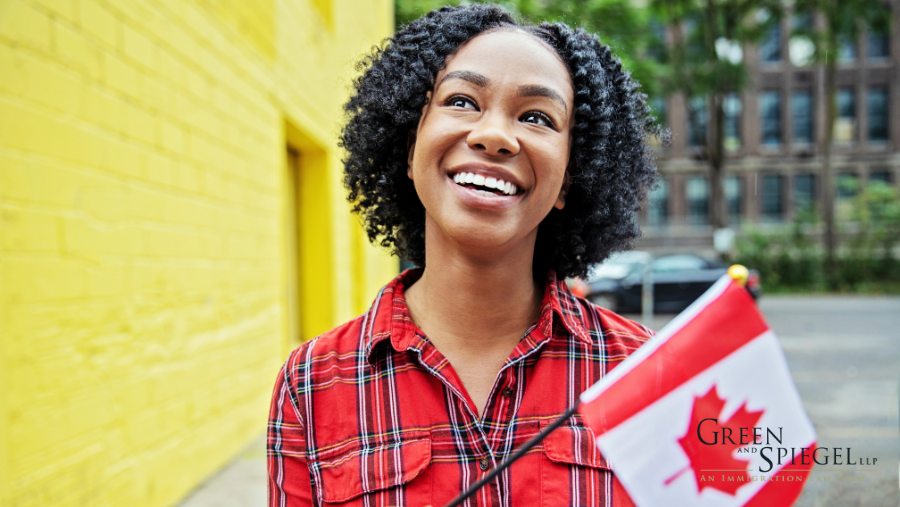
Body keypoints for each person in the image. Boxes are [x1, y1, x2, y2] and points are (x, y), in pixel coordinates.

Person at [268, 4, 664, 506]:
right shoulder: (310, 386)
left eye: (537, 117)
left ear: (570, 177)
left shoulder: (646, 373)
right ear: (410, 147)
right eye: (461, 100)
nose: (494, 135)